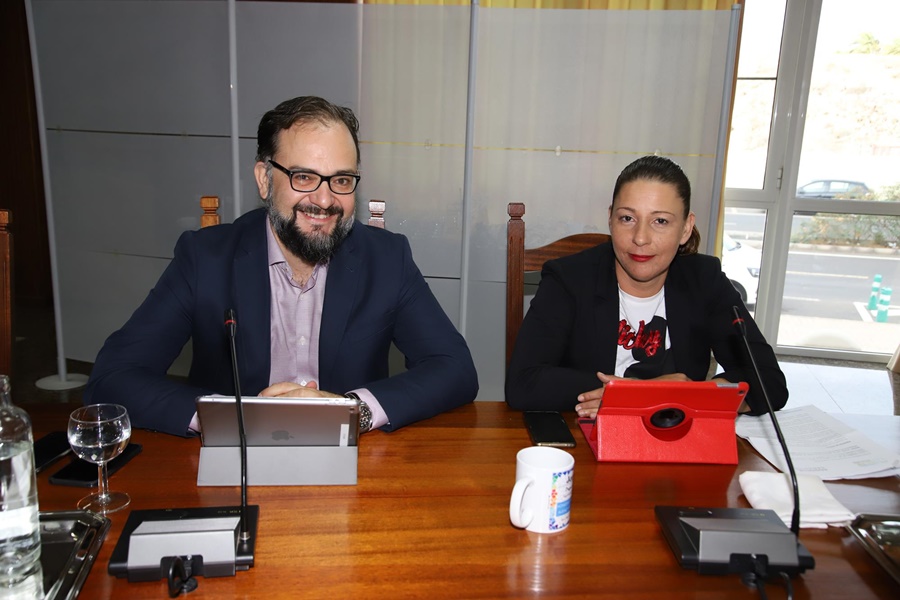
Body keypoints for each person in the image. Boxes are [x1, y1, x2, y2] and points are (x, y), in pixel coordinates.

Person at [85, 95, 478, 437]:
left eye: (342, 180)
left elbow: (454, 368)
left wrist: (353, 411)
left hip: (353, 460)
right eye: (304, 177)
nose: (324, 200)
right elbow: (112, 377)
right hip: (232, 457)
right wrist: (226, 418)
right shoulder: (206, 259)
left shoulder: (387, 259)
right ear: (264, 179)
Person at [505, 155, 787, 417]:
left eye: (660, 221)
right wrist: (635, 394)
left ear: (685, 228)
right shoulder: (569, 278)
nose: (640, 238)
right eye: (627, 218)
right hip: (587, 439)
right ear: (610, 219)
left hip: (672, 438)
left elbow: (770, 382)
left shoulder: (704, 280)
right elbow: (522, 383)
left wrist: (686, 396)